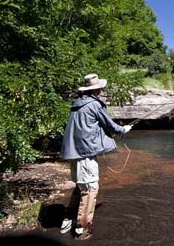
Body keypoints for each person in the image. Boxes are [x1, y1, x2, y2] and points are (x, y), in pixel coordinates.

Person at [59, 73, 132, 240]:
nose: (101, 90)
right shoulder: (94, 105)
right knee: (90, 189)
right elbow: (109, 124)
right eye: (100, 88)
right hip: (84, 153)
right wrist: (123, 129)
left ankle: (68, 220)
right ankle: (82, 228)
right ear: (96, 89)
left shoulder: (76, 104)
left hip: (74, 152)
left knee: (81, 186)